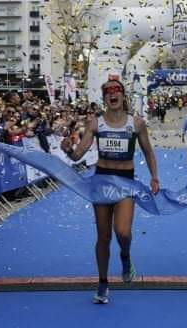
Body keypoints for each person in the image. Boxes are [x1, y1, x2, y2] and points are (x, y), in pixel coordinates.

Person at [61, 79, 159, 304]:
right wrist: (68, 151)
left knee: (123, 232)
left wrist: (154, 177)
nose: (112, 94)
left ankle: (125, 257)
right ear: (104, 97)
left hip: (126, 182)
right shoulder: (95, 123)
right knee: (103, 237)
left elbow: (149, 152)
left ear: (123, 95)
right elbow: (79, 155)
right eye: (108, 91)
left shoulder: (136, 123)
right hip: (102, 180)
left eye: (117, 90)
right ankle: (103, 283)